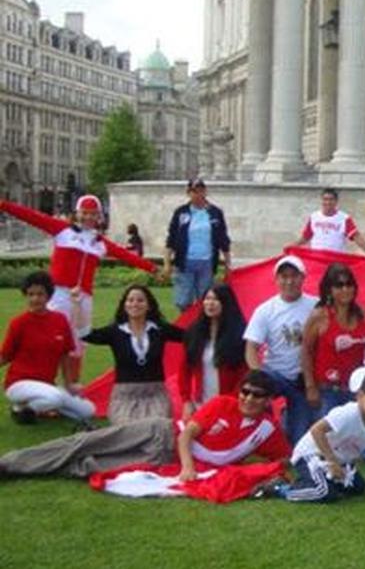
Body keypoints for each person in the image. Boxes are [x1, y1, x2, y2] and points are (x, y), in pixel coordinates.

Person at [0, 370, 289, 480]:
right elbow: (188, 434)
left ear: (268, 401)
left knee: (92, 466)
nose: (248, 398)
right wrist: (188, 468)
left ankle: (30, 470)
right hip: (161, 431)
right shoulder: (222, 403)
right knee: (84, 443)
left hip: (161, 458)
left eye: (257, 395)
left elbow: (284, 458)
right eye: (245, 392)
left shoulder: (265, 430)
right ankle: (10, 463)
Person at [0, 195, 157, 381]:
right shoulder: (62, 229)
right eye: (85, 213)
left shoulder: (100, 242)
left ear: (99, 216)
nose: (89, 217)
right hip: (59, 294)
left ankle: (73, 386)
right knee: (51, 337)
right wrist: (3, 204)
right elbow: (31, 216)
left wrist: (152, 268)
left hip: (84, 298)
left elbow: (125, 255)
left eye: (93, 214)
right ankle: (40, 379)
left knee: (79, 342)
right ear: (77, 213)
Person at [276, 369, 365, 503]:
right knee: (324, 493)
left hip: (339, 460)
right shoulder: (348, 413)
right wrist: (332, 461)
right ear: (360, 396)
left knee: (358, 488)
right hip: (311, 454)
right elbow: (317, 430)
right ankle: (281, 488)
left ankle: (317, 480)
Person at [1, 271, 94, 425]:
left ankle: (32, 408)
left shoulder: (60, 320)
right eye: (30, 294)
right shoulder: (18, 323)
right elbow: (5, 356)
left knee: (87, 411)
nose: (35, 299)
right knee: (54, 398)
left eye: (40, 294)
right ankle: (20, 410)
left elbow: (65, 354)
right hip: (18, 384)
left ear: (49, 296)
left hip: (46, 385)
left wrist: (69, 384)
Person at [243, 255, 318, 445]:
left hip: (303, 379)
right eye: (284, 276)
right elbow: (251, 347)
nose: (289, 281)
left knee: (297, 440)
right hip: (274, 374)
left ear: (303, 278)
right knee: (253, 395)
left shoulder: (316, 306)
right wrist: (257, 376)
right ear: (276, 280)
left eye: (294, 276)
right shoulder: (265, 310)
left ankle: (287, 417)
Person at [83, 285, 184, 425]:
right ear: (124, 305)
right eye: (130, 300)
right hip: (125, 396)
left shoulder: (160, 329)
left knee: (158, 426)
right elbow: (85, 334)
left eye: (140, 300)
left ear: (149, 306)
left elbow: (191, 336)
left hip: (155, 394)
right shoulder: (115, 331)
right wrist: (77, 305)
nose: (135, 304)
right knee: (127, 429)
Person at [301, 263, 365, 418]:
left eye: (349, 284)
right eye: (339, 285)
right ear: (329, 290)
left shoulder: (360, 314)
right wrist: (310, 387)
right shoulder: (319, 316)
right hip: (328, 391)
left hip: (355, 391)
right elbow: (306, 352)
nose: (345, 289)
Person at [179, 284, 249, 421]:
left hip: (230, 405)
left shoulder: (239, 336)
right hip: (201, 406)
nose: (210, 303)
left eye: (216, 299)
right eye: (207, 298)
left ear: (226, 303)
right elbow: (184, 370)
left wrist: (229, 403)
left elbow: (244, 375)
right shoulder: (194, 333)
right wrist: (186, 400)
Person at [164, 178, 232, 311]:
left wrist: (228, 263)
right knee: (183, 300)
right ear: (188, 193)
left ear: (205, 192)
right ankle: (185, 326)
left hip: (206, 262)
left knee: (204, 299)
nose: (198, 195)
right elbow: (171, 238)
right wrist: (167, 263)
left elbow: (223, 239)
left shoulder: (215, 213)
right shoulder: (181, 212)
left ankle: (201, 327)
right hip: (184, 261)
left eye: (201, 191)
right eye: (194, 191)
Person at [292, 187, 365, 256]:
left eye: (331, 199)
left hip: (335, 260)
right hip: (317, 259)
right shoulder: (314, 217)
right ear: (322, 200)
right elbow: (306, 237)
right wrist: (293, 246)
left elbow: (356, 237)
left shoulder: (344, 218)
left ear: (336, 201)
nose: (327, 202)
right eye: (325, 199)